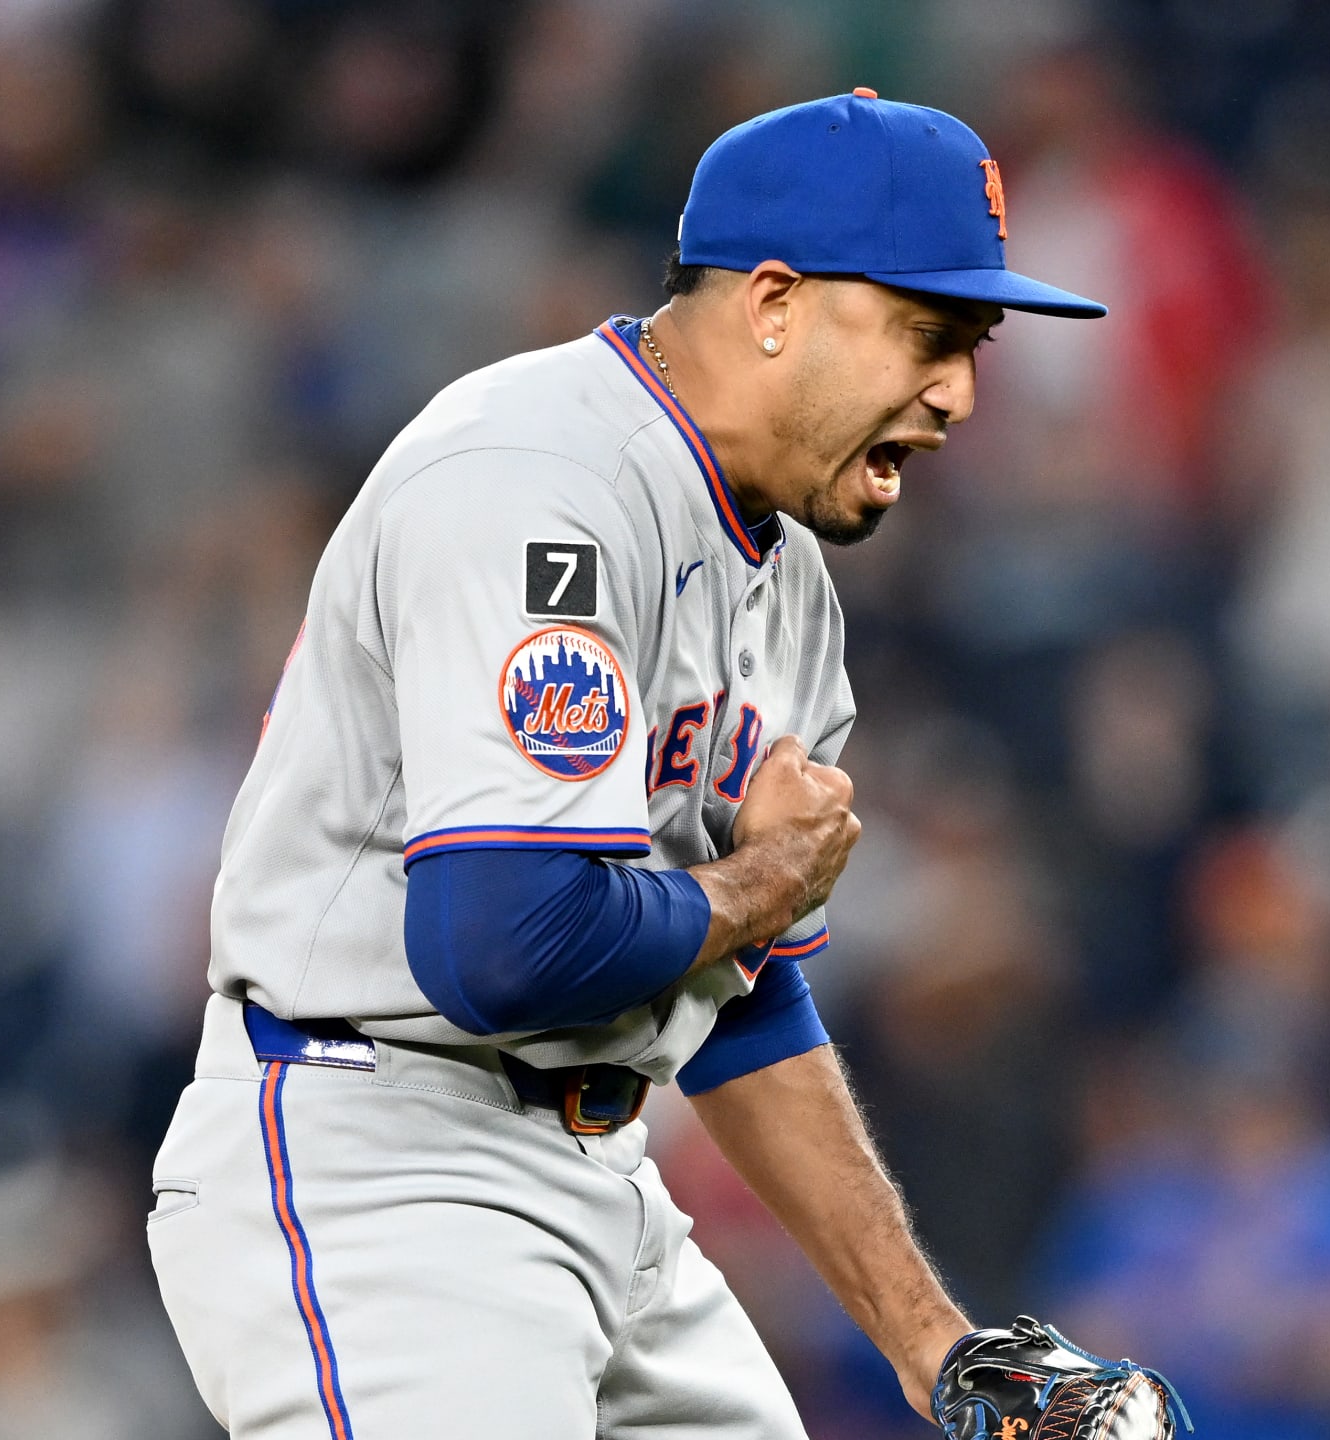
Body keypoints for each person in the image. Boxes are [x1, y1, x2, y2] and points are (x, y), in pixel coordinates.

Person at [144, 90, 1134, 1438]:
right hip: (379, 1164)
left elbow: (738, 1003)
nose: (960, 391)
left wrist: (936, 1347)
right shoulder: (534, 480)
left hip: (602, 1178)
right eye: (929, 334)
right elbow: (503, 943)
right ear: (774, 302)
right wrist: (763, 882)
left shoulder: (789, 589)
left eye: (973, 346)